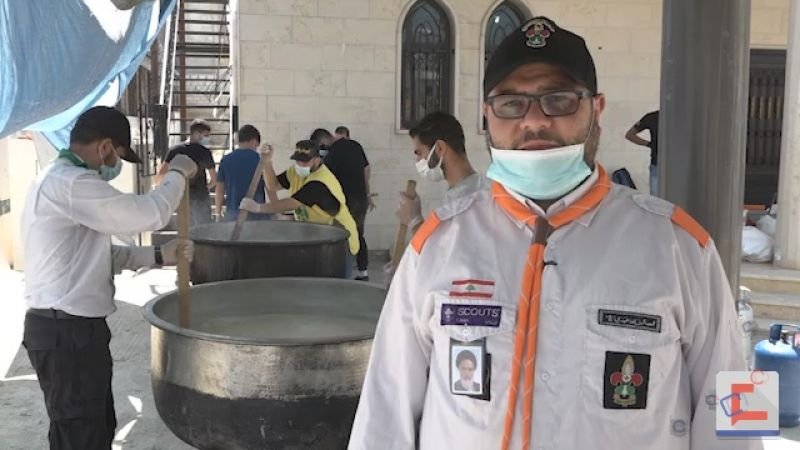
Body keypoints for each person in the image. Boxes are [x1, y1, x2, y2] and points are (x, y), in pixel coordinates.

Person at [349, 17, 756, 450]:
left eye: (558, 99)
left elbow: (739, 410)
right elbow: (384, 409)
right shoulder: (436, 245)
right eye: (511, 103)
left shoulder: (681, 246)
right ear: (487, 114)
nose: (534, 121)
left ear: (596, 109)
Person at [20, 106, 197, 450]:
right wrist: (177, 173)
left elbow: (99, 256)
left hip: (73, 331)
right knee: (80, 435)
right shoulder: (71, 183)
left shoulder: (61, 183)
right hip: (65, 333)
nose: (114, 166)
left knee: (96, 427)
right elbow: (151, 214)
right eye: (116, 156)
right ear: (104, 147)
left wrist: (159, 255)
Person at [384, 112, 488, 282]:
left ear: (439, 148)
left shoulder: (473, 199)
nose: (418, 160)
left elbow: (444, 257)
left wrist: (414, 221)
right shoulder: (458, 193)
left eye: (419, 153)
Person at [239, 140, 360, 277]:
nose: (300, 164)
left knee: (333, 285)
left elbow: (292, 203)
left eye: (305, 161)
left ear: (317, 160)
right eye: (298, 160)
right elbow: (273, 185)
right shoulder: (296, 172)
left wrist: (258, 208)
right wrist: (267, 162)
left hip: (340, 240)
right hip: (319, 238)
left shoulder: (320, 182)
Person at [326, 125, 373, 281]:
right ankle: (363, 271)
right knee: (358, 234)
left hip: (343, 200)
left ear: (335, 136)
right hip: (360, 198)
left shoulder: (334, 149)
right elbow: (366, 170)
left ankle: (342, 274)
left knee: (341, 235)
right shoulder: (357, 146)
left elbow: (326, 174)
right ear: (348, 135)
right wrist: (367, 193)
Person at [157, 119, 216, 226]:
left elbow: (161, 173)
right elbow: (213, 179)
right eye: (206, 135)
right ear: (197, 133)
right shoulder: (205, 152)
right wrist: (206, 187)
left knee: (184, 228)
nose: (207, 139)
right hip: (200, 195)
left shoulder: (175, 150)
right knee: (204, 228)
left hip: (181, 195)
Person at [215, 124, 270, 221]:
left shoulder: (226, 160)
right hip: (256, 213)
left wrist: (218, 213)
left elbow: (219, 189)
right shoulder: (260, 159)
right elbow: (270, 186)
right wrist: (276, 210)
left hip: (232, 213)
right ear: (254, 141)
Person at [625, 110, 660, 196]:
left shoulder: (652, 116)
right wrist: (650, 144)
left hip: (657, 164)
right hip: (661, 165)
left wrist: (650, 144)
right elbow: (629, 135)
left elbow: (630, 135)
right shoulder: (681, 118)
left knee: (655, 201)